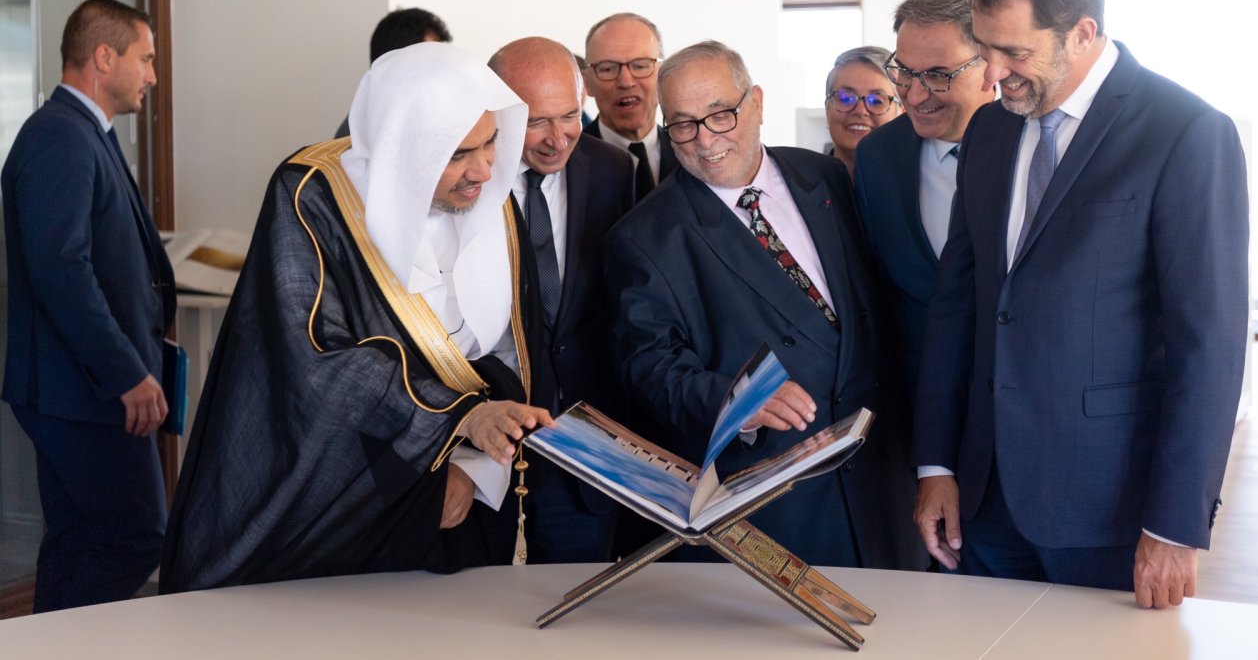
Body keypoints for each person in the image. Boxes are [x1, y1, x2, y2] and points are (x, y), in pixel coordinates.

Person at [912, 0, 1248, 609]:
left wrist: (1173, 523)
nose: (995, 72)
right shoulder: (990, 129)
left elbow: (1206, 346)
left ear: (1083, 32)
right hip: (983, 498)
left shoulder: (1185, 132)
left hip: (1110, 507)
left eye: (1014, 52)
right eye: (985, 50)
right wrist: (938, 464)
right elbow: (959, 306)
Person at [161, 43, 555, 591]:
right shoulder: (313, 196)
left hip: (468, 493)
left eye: (492, 143)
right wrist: (454, 422)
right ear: (405, 151)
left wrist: (474, 468)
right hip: (344, 490)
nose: (486, 170)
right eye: (459, 153)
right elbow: (311, 362)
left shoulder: (495, 205)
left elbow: (515, 358)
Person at [604, 40, 924, 569]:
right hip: (775, 500)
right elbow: (649, 368)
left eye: (720, 115)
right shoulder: (644, 237)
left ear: (755, 103)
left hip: (882, 479)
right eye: (682, 124)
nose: (705, 140)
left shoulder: (827, 178)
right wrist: (737, 402)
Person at [2, 0, 176, 611]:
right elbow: (61, 270)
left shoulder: (83, 133)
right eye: (145, 59)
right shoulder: (59, 136)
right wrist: (126, 373)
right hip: (82, 391)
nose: (152, 76)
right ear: (105, 57)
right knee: (135, 535)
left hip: (83, 388)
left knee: (79, 541)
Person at [488, 37, 634, 562]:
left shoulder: (615, 171)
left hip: (586, 457)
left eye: (571, 115)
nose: (558, 139)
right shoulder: (467, 178)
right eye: (535, 122)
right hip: (487, 448)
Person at [853, 0, 995, 404]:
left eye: (936, 75)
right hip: (918, 406)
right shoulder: (877, 157)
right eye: (904, 72)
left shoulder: (1035, 147)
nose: (914, 95)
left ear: (989, 64)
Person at [582, 12, 678, 199]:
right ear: (587, 83)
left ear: (664, 75)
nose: (626, 82)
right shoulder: (565, 164)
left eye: (641, 66)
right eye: (608, 68)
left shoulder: (691, 153)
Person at [334, 6, 453, 138]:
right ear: (399, 62)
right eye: (434, 58)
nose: (443, 69)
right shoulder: (359, 137)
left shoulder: (412, 116)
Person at [823, 45, 902, 178]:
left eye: (876, 101)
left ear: (903, 112)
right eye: (846, 98)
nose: (860, 111)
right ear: (827, 109)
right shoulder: (793, 191)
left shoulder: (923, 191)